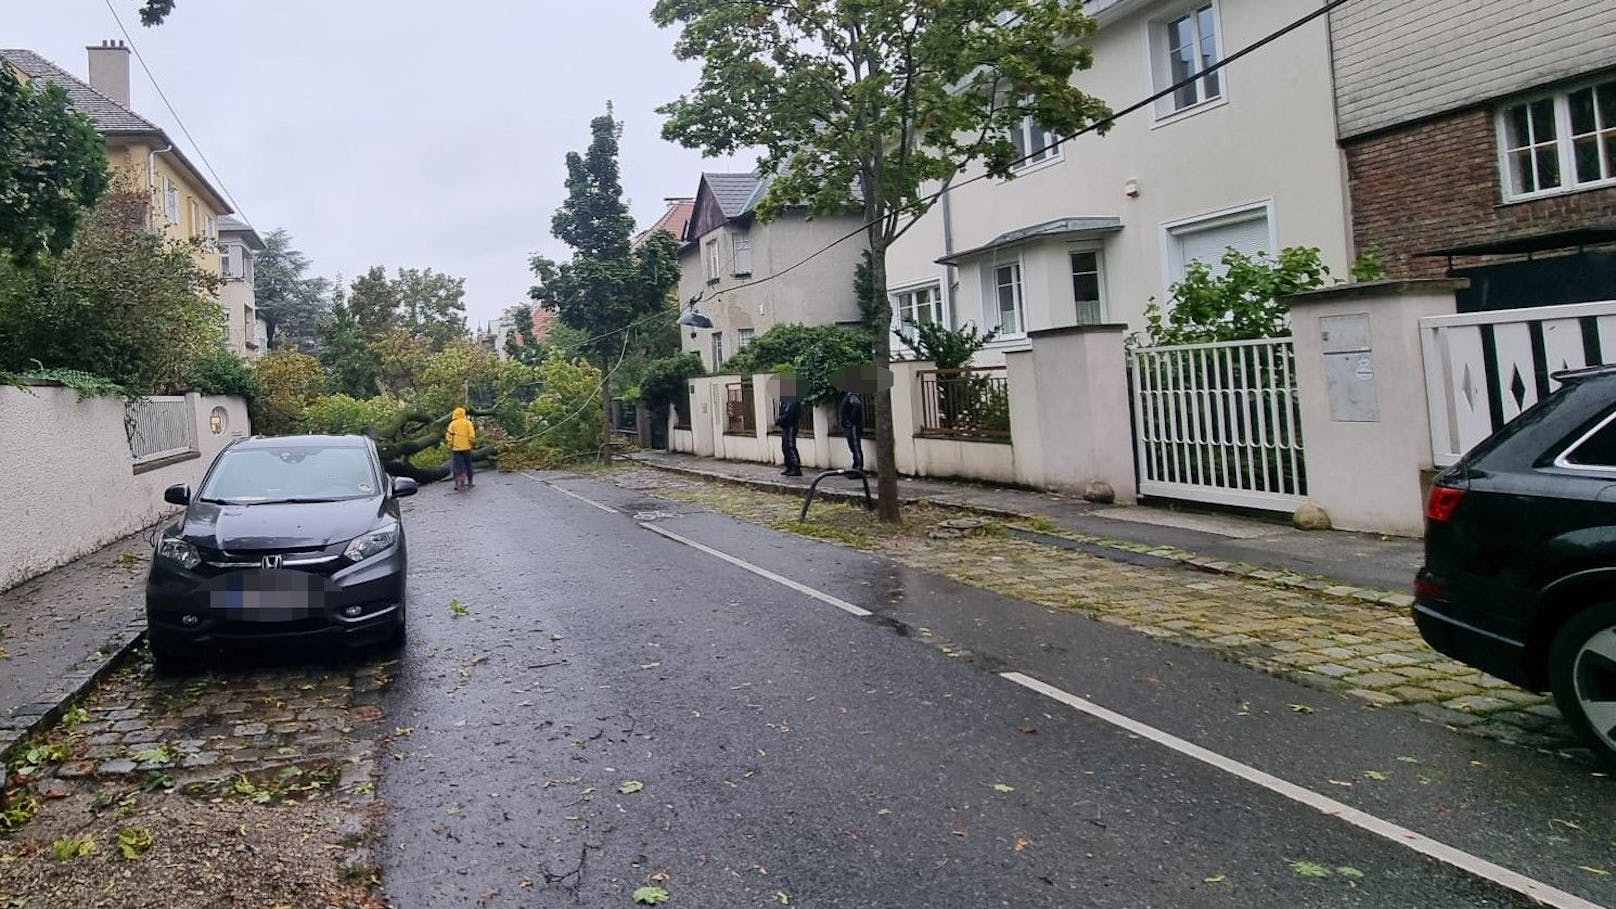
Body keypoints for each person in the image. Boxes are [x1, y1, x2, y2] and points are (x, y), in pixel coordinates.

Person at [776, 377, 803, 477]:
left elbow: (789, 413)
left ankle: (796, 467)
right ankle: (789, 466)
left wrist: (779, 420)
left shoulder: (792, 400)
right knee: (785, 447)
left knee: (790, 446)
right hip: (786, 425)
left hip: (790, 425)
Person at [445, 406, 477, 490]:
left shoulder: (452, 424)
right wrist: (472, 443)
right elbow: (471, 435)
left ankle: (457, 484)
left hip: (456, 449)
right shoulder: (468, 423)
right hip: (466, 448)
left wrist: (450, 444)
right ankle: (470, 482)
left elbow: (449, 436)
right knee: (468, 465)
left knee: (457, 466)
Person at [839, 389, 865, 473]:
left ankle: (858, 468)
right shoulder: (850, 395)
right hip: (852, 425)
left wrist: (850, 421)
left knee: (855, 447)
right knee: (854, 447)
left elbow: (856, 407)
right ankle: (856, 466)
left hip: (853, 426)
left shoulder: (852, 395)